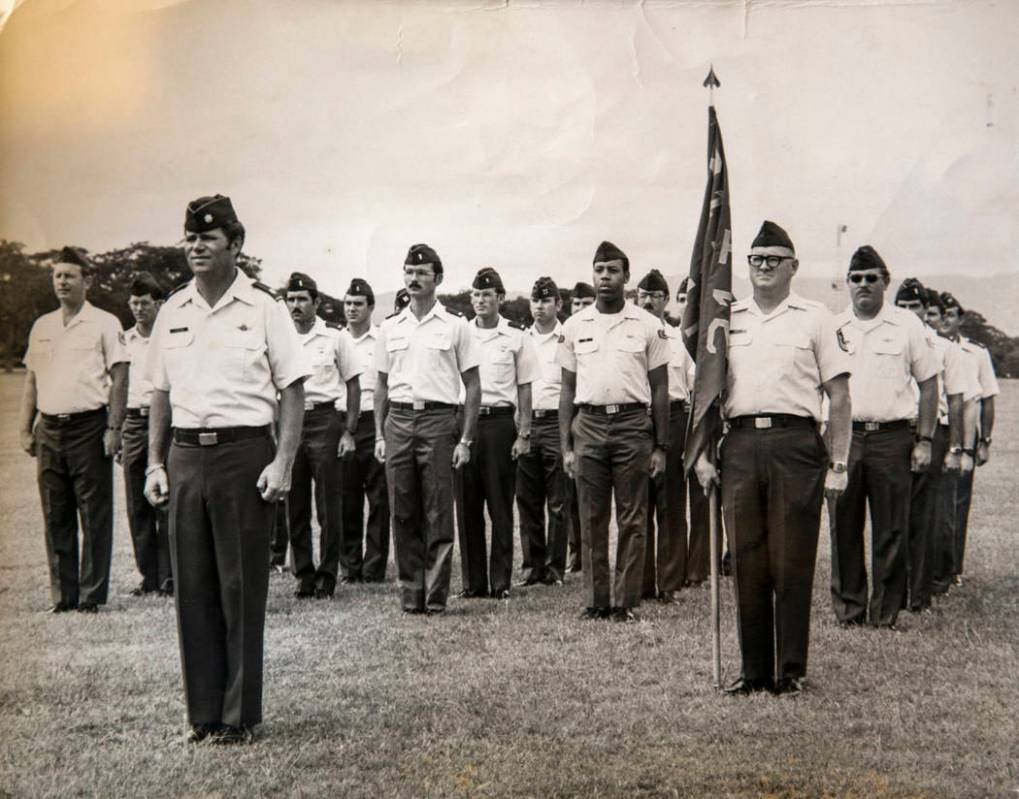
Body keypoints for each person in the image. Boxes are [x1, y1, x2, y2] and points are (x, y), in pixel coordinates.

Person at [143, 194, 310, 744]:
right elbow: (161, 394)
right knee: (192, 590)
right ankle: (203, 714)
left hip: (244, 456)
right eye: (190, 237)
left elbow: (292, 390)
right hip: (187, 457)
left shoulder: (264, 308)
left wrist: (282, 462)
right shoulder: (173, 309)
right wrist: (154, 464)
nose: (196, 246)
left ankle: (237, 717)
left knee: (240, 588)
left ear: (236, 245)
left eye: (209, 238)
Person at [694, 221, 851, 695]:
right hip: (740, 444)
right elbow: (705, 393)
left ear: (793, 267)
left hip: (796, 445)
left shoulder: (816, 318)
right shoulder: (729, 318)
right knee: (747, 559)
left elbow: (839, 397)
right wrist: (702, 453)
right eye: (756, 259)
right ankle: (755, 670)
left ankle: (790, 669)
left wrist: (838, 463)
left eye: (773, 260)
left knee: (791, 560)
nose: (763, 267)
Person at [559, 241, 670, 622]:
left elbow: (659, 390)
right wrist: (566, 446)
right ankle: (596, 600)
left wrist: (660, 446)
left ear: (627, 276)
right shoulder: (574, 326)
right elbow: (567, 390)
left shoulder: (649, 326)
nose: (605, 277)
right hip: (588, 424)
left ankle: (625, 601)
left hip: (632, 425)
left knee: (632, 517)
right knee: (591, 515)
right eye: (599, 270)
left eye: (613, 271)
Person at [830, 247, 938, 631]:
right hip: (846, 437)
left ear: (885, 282)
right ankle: (849, 608)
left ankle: (885, 612)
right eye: (856, 278)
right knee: (844, 523)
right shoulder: (834, 327)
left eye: (871, 278)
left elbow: (928, 385)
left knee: (891, 526)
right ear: (847, 283)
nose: (863, 285)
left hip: (892, 438)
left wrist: (924, 440)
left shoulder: (907, 326)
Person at [19, 246, 129, 613]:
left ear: (87, 281)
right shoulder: (43, 326)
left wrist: (114, 427)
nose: (62, 282)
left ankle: (90, 595)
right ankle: (63, 597)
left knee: (94, 513)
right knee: (55, 513)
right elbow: (32, 381)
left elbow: (120, 376)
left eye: (69, 276)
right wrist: (25, 428)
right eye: (57, 276)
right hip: (49, 427)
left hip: (89, 426)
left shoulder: (105, 323)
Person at [374, 243, 481, 614]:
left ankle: (435, 597)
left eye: (421, 273)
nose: (413, 278)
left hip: (438, 421)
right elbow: (381, 386)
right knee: (402, 510)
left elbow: (473, 385)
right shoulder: (389, 327)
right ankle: (410, 593)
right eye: (408, 271)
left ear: (438, 278)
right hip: (399, 420)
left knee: (437, 509)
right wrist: (379, 434)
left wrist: (465, 438)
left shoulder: (456, 326)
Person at [453, 267, 538, 599]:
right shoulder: (461, 332)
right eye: (475, 294)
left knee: (500, 504)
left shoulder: (516, 335)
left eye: (487, 294)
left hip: (501, 424)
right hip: (464, 422)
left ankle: (500, 582)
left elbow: (525, 386)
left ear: (500, 298)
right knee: (467, 504)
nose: (480, 300)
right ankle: (473, 583)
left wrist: (525, 432)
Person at [893, 279, 975, 612]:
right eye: (903, 306)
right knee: (893, 514)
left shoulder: (944, 348)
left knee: (924, 515)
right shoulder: (889, 342)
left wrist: (956, 448)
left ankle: (920, 591)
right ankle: (893, 589)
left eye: (915, 307)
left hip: (933, 431)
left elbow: (956, 401)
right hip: (896, 429)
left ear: (926, 313)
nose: (909, 313)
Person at [285, 272, 361, 598]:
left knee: (329, 504)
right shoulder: (281, 337)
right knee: (294, 503)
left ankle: (327, 575)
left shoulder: (334, 338)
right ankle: (303, 574)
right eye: (291, 299)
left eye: (302, 299)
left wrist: (349, 431)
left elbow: (354, 383)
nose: (295, 306)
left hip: (324, 420)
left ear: (316, 302)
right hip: (290, 421)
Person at [636, 269, 694, 603]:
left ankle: (669, 582)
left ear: (666, 301)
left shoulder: (678, 340)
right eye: (643, 295)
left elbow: (691, 385)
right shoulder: (627, 337)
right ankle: (642, 581)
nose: (648, 301)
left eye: (655, 296)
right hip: (636, 419)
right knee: (638, 503)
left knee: (670, 502)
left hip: (672, 417)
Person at [939, 291, 1000, 587]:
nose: (946, 320)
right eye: (942, 314)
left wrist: (984, 441)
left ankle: (953, 567)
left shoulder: (976, 353)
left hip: (965, 431)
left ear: (960, 319)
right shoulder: (929, 347)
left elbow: (987, 398)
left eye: (952, 314)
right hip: (937, 428)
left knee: (958, 500)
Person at [515, 277, 570, 588]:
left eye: (546, 301)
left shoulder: (568, 337)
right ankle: (531, 566)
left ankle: (554, 568)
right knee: (527, 499)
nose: (539, 306)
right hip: (526, 423)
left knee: (558, 501)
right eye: (535, 301)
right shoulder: (523, 339)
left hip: (556, 422)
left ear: (558, 304)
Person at [121, 272, 173, 597]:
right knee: (135, 504)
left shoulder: (169, 338)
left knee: (165, 500)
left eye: (145, 303)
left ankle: (170, 577)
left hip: (166, 423)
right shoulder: (123, 341)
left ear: (159, 304)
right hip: (133, 421)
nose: (139, 309)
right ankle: (148, 576)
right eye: (134, 303)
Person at [340, 278, 391, 583]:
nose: (352, 309)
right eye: (347, 304)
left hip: (376, 421)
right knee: (347, 498)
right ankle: (350, 566)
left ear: (371, 307)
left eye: (358, 304)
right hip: (346, 424)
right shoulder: (337, 340)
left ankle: (374, 568)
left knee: (379, 499)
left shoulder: (381, 339)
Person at [674, 277, 715, 583]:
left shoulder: (713, 343)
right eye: (684, 300)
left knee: (703, 496)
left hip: (704, 420)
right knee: (673, 499)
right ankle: (676, 567)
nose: (690, 307)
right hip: (677, 420)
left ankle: (700, 567)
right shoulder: (667, 339)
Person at [565, 280, 597, 574]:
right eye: (576, 304)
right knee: (570, 496)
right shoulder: (568, 334)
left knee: (586, 493)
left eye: (586, 304)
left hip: (590, 417)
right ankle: (575, 550)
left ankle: (582, 554)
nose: (580, 309)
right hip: (569, 417)